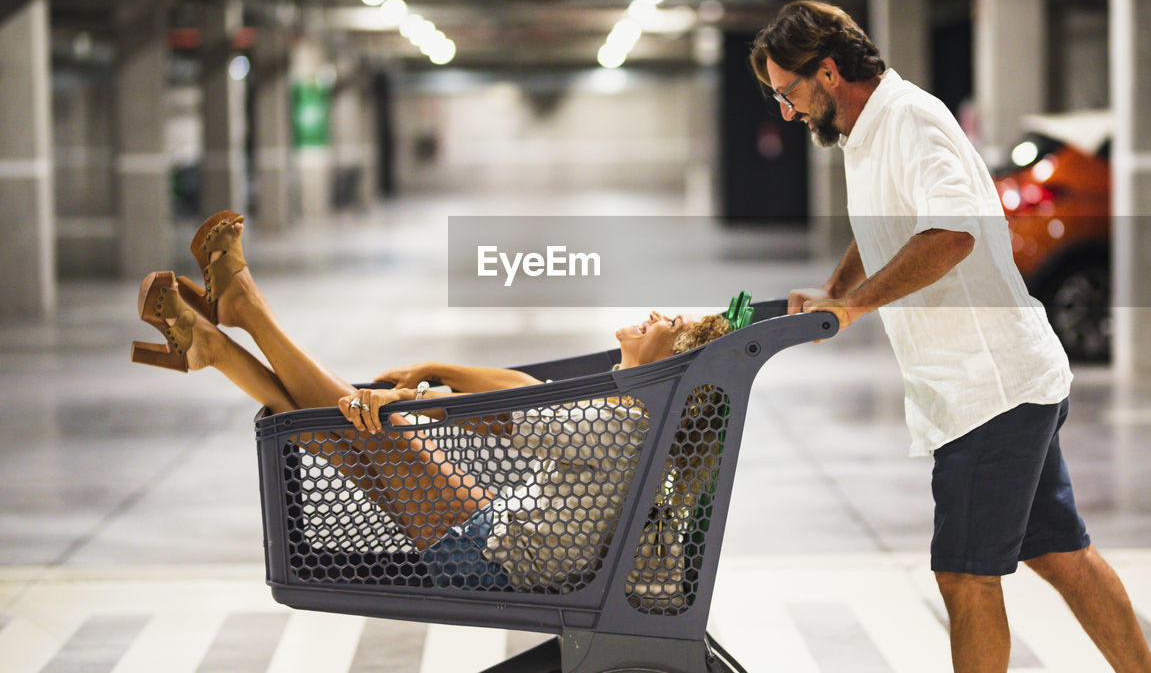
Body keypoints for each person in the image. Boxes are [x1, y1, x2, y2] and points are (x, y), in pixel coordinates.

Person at [749, 1, 1151, 673]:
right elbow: (886, 221)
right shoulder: (864, 131)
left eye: (789, 92)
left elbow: (951, 234)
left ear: (826, 71)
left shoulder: (910, 118)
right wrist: (836, 289)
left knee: (965, 576)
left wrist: (855, 308)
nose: (788, 112)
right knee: (1061, 554)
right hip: (1001, 381)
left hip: (988, 389)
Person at [131, 211, 731, 594]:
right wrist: (434, 373)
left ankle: (245, 312)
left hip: (489, 560)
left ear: (672, 363)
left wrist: (410, 399)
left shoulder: (621, 424)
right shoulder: (621, 410)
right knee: (354, 441)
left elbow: (499, 418)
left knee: (373, 434)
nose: (657, 314)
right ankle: (215, 346)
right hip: (502, 536)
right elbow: (524, 393)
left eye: (670, 324)